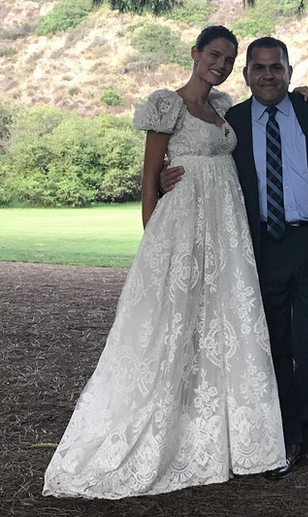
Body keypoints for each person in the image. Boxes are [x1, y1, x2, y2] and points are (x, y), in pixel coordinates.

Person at [43, 26, 286, 500]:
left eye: (229, 58)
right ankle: (150, 432)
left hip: (226, 232)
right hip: (180, 229)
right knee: (170, 323)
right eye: (214, 54)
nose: (220, 64)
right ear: (195, 53)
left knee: (218, 324)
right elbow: (150, 179)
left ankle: (230, 437)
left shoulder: (222, 108)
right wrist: (156, 244)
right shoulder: (166, 104)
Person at [161, 37, 308, 479]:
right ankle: (284, 437)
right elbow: (196, 159)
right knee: (270, 343)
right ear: (246, 76)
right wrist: (168, 179)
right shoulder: (231, 124)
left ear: (289, 72)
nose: (267, 75)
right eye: (258, 68)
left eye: (275, 67)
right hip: (260, 247)